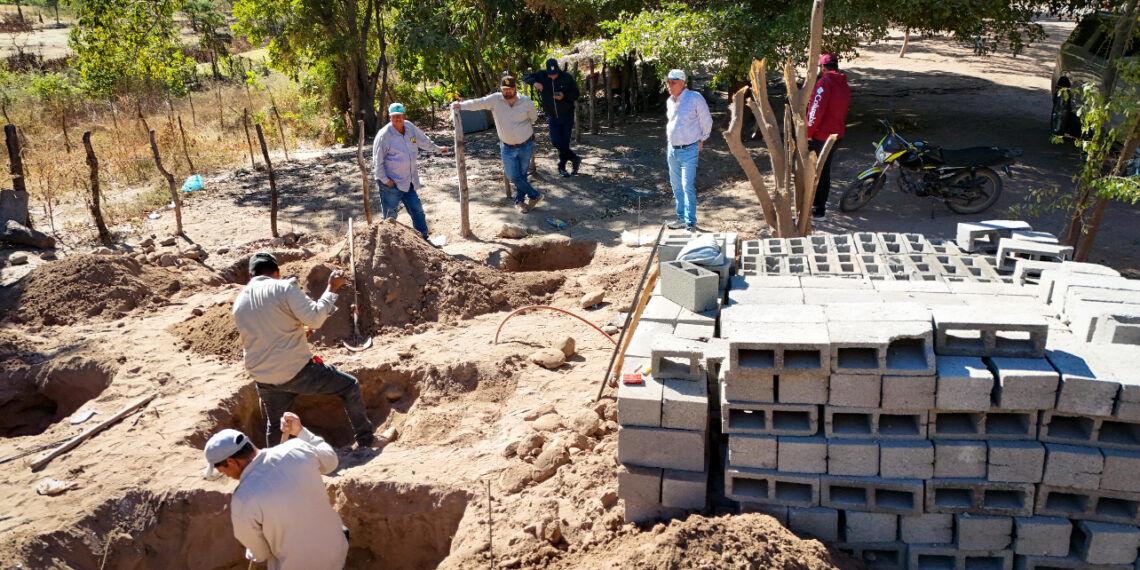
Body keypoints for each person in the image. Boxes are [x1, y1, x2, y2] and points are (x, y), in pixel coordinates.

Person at [232, 252, 377, 448]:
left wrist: (299, 334)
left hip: (262, 376)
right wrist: (331, 288)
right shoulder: (284, 287)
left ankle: (277, 463)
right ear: (276, 272)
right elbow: (315, 318)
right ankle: (367, 440)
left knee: (276, 424)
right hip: (296, 370)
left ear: (250, 277)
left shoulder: (239, 301)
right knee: (349, 386)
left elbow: (264, 334)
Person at [205, 412, 347, 570]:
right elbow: (331, 461)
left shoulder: (243, 499)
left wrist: (253, 552)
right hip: (336, 549)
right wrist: (301, 432)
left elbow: (261, 554)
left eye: (222, 471)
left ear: (231, 462)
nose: (227, 476)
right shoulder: (296, 447)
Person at [452, 75, 542, 214]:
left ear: (515, 88)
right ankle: (535, 195)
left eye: (510, 89)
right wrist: (461, 105)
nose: (508, 92)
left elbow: (533, 118)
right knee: (513, 176)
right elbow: (478, 103)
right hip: (507, 146)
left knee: (522, 175)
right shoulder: (495, 100)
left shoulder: (526, 102)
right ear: (501, 89)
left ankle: (519, 202)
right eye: (505, 89)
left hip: (526, 144)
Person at [373, 102, 450, 241]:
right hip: (390, 183)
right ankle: (389, 245)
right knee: (390, 217)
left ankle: (424, 240)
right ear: (390, 117)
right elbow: (377, 161)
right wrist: (386, 180)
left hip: (408, 180)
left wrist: (438, 149)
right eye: (395, 116)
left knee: (417, 210)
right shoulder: (384, 135)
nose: (398, 119)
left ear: (404, 116)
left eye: (400, 116)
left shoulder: (409, 127)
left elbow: (424, 141)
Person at [664, 69, 712, 232]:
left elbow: (706, 121)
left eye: (673, 82)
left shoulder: (694, 98)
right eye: (668, 82)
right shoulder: (670, 101)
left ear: (683, 83)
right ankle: (680, 217)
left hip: (689, 148)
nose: (670, 85)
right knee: (676, 185)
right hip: (672, 149)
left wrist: (702, 139)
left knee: (686, 185)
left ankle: (690, 222)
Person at [805, 53, 851, 220]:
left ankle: (814, 209)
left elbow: (816, 110)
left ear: (823, 67)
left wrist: (808, 134)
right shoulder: (843, 83)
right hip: (837, 134)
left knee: (813, 171)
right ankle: (819, 208)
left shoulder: (824, 83)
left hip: (821, 136)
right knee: (824, 171)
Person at [522, 58, 581, 177]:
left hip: (567, 115)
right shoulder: (541, 75)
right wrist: (534, 83)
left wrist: (564, 96)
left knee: (564, 143)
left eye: (555, 75)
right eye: (550, 75)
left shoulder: (566, 77)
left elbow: (576, 94)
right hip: (552, 116)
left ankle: (562, 167)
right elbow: (525, 76)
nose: (553, 77)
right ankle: (575, 158)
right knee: (556, 142)